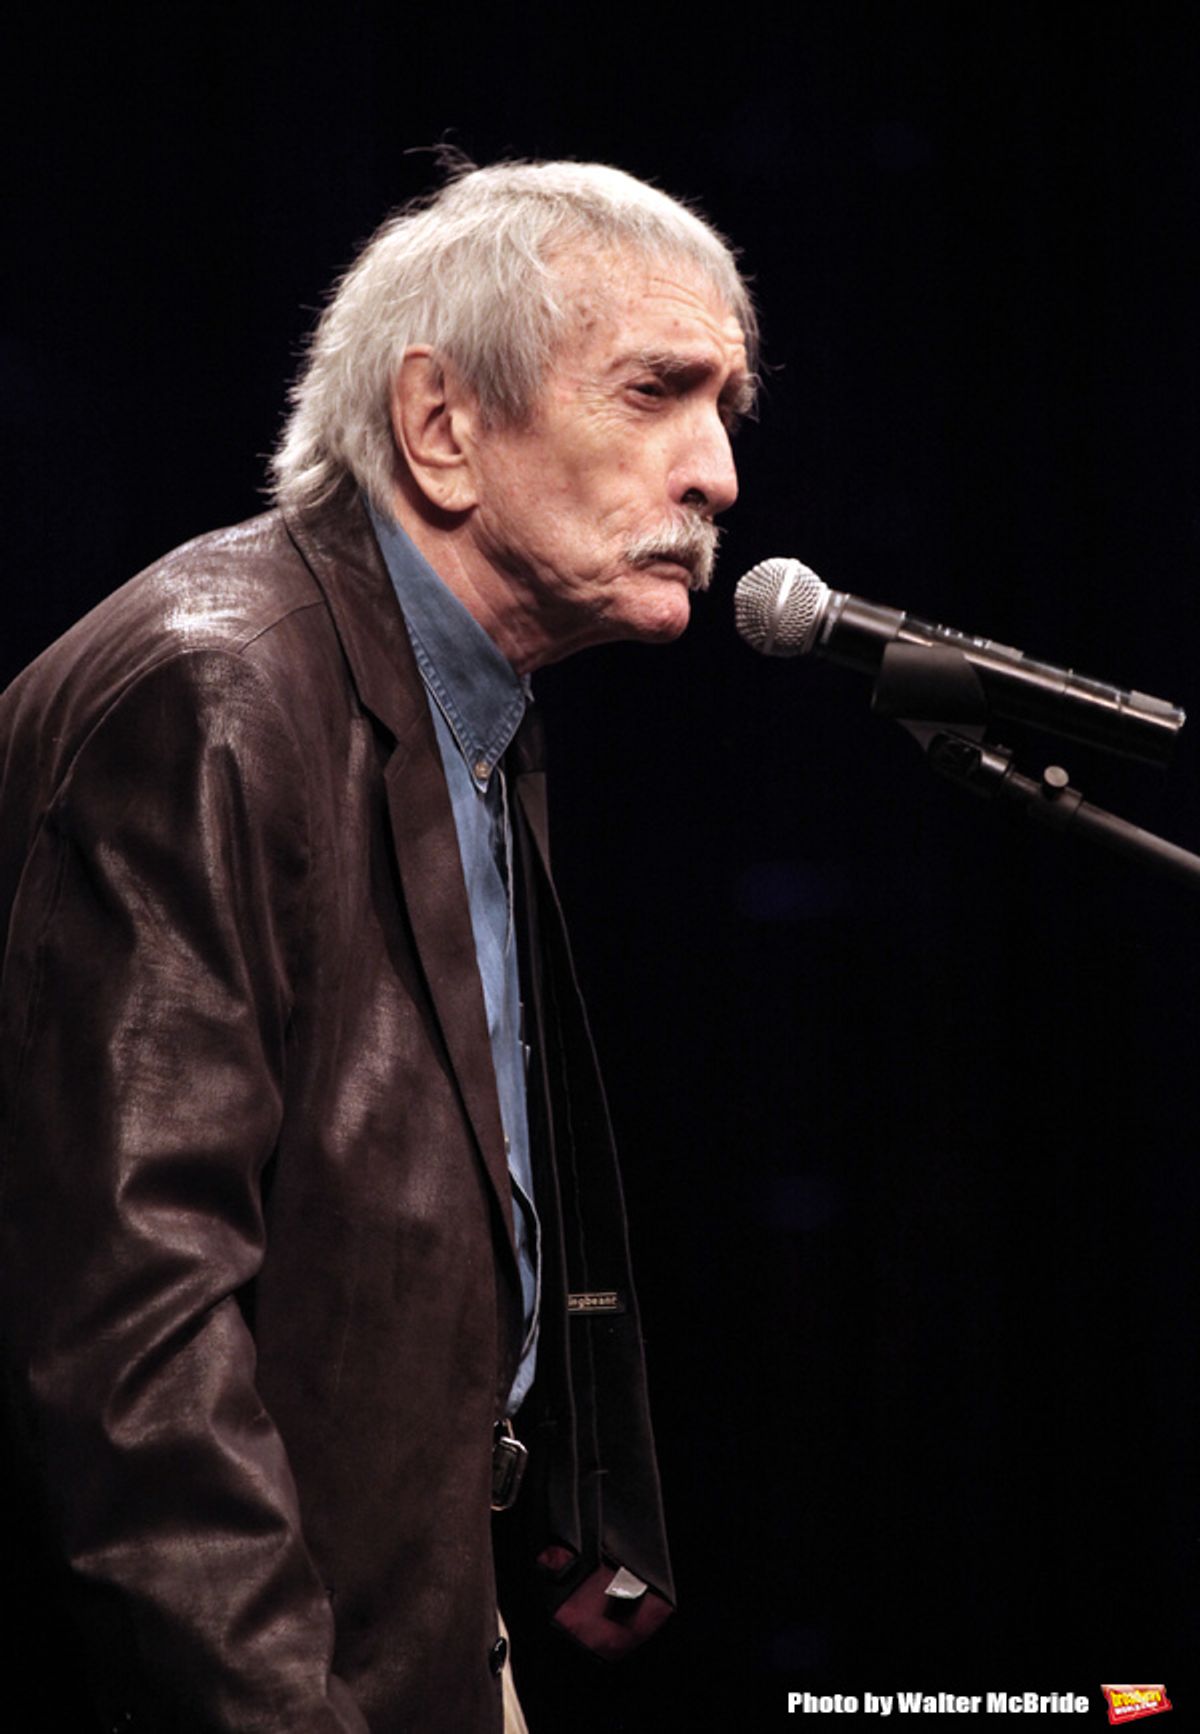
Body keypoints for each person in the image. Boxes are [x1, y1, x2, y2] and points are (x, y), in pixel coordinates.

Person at [0, 159, 757, 1732]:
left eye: (728, 408)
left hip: (409, 1627)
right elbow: (131, 1353)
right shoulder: (214, 696)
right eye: (657, 393)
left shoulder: (470, 705)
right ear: (440, 428)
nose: (717, 472)